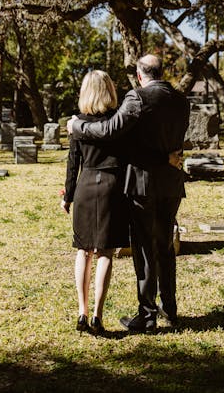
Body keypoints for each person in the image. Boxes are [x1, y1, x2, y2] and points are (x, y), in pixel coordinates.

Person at [68, 54, 190, 334]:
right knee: (165, 246)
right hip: (171, 182)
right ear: (162, 71)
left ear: (139, 75)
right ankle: (169, 309)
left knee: (146, 248)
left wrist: (77, 127)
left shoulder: (137, 98)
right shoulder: (181, 100)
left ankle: (147, 315)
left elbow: (109, 130)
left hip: (142, 184)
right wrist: (166, 158)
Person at [61, 70, 129, 336]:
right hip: (112, 185)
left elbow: (72, 163)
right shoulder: (118, 122)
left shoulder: (76, 123)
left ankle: (82, 311)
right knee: (105, 253)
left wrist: (68, 195)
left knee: (83, 250)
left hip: (86, 185)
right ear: (109, 90)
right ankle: (98, 315)